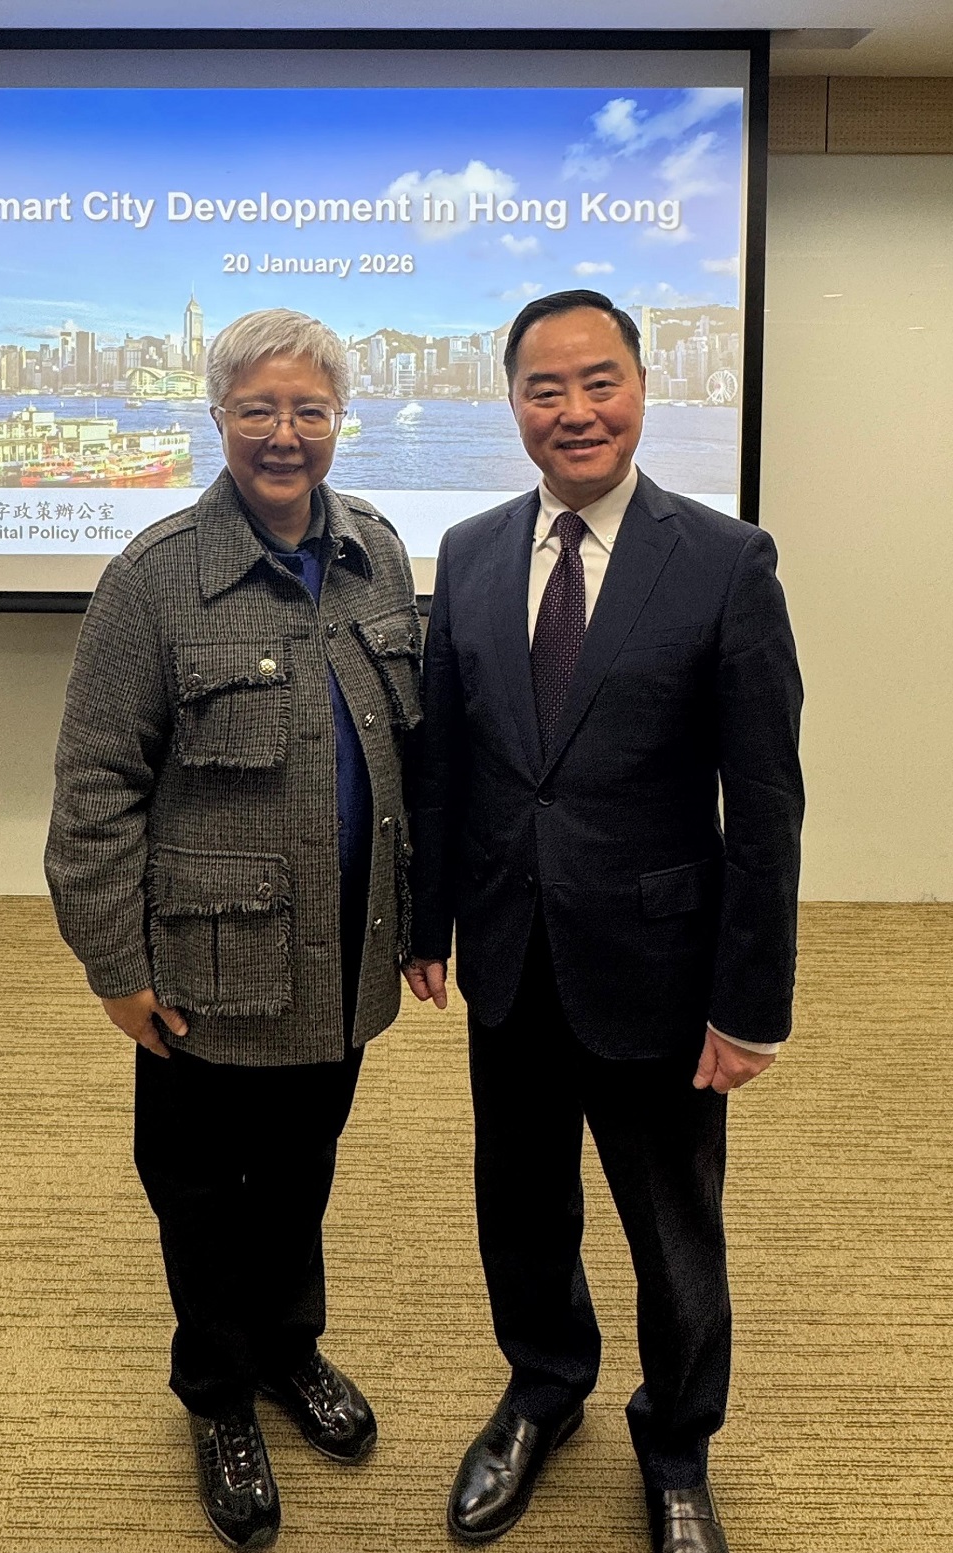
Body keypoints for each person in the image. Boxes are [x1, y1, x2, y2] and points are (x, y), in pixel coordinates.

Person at [404, 290, 803, 1553]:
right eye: (545, 387)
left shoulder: (726, 560)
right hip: (510, 954)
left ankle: (678, 1444)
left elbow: (767, 801)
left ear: (642, 386)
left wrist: (752, 1002)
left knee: (673, 1230)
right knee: (521, 1204)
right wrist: (427, 921)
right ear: (512, 402)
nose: (574, 410)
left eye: (599, 381)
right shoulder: (470, 550)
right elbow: (448, 760)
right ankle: (543, 1387)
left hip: (661, 967)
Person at [45, 308, 421, 1551]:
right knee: (203, 1192)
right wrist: (115, 965)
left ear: (339, 419)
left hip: (342, 958)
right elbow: (95, 789)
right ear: (217, 417)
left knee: (302, 1172)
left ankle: (288, 1348)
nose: (284, 433)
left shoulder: (377, 552)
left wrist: (420, 919)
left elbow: (410, 756)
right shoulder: (153, 578)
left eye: (309, 408)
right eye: (258, 408)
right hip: (206, 969)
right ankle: (218, 1393)